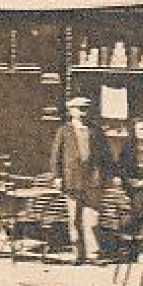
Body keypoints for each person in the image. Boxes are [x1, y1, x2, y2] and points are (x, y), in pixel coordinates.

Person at [51, 95, 113, 263]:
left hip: (93, 180)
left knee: (92, 217)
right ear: (72, 111)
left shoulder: (96, 131)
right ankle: (78, 253)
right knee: (74, 218)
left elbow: (106, 156)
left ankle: (93, 252)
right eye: (79, 109)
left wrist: (107, 177)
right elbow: (56, 156)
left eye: (86, 108)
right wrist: (57, 177)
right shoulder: (64, 131)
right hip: (72, 180)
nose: (83, 112)